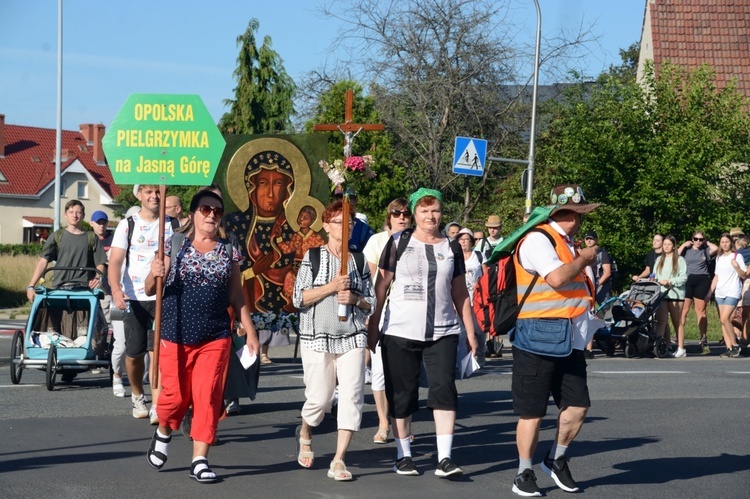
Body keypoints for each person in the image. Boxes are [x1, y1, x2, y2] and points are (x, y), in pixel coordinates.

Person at [144, 190, 260, 483]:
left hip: (215, 336)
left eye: (217, 212)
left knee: (208, 397)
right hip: (176, 333)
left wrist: (250, 328)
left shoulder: (228, 250)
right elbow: (149, 289)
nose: (211, 215)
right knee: (175, 396)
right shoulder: (175, 244)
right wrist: (154, 273)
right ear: (194, 214)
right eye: (206, 210)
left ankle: (200, 459)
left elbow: (236, 293)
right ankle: (164, 430)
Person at [367, 188, 478, 479]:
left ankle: (445, 458)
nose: (431, 216)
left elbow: (460, 292)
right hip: (400, 330)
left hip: (443, 330)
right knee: (402, 394)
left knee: (444, 390)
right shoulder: (398, 242)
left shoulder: (452, 246)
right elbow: (381, 287)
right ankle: (404, 455)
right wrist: (373, 325)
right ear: (415, 214)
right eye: (424, 211)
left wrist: (471, 330)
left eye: (436, 210)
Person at [509, 183, 600, 497]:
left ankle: (556, 459)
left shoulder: (567, 242)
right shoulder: (538, 239)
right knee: (532, 412)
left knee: (578, 406)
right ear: (553, 212)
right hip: (536, 337)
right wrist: (585, 259)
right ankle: (523, 472)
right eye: (567, 212)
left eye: (578, 213)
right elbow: (558, 278)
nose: (574, 219)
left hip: (569, 338)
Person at [292, 199, 375, 482]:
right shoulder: (312, 257)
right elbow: (298, 298)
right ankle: (305, 430)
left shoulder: (359, 260)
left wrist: (354, 299)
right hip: (316, 336)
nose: (346, 227)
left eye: (350, 222)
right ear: (327, 226)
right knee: (320, 399)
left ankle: (339, 459)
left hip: (352, 336)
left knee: (352, 396)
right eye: (340, 222)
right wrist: (330, 288)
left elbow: (371, 302)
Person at [224, 152, 297, 363]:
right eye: (264, 183)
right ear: (252, 187)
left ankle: (265, 351)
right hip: (246, 293)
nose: (271, 193)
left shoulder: (293, 228)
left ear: (288, 190)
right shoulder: (235, 223)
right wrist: (252, 271)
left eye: (279, 184)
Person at [109, 185, 174, 420]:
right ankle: (137, 395)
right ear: (139, 195)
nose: (154, 196)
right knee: (134, 353)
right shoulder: (128, 225)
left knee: (157, 352)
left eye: (158, 191)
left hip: (162, 297)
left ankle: (157, 403)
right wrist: (116, 289)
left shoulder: (172, 224)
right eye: (148, 192)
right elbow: (115, 261)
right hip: (134, 297)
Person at [362, 198, 412, 445]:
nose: (401, 217)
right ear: (389, 217)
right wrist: (366, 312)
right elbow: (368, 278)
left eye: (405, 213)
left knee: (406, 374)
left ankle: (404, 423)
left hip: (410, 316)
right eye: (396, 213)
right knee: (380, 373)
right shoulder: (377, 241)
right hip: (382, 314)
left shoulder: (418, 241)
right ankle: (384, 423)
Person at [27, 200, 107, 303]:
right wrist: (31, 286)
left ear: (83, 215)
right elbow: (43, 261)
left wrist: (97, 277)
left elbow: (100, 263)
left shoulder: (92, 237)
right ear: (65, 215)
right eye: (71, 212)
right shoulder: (56, 236)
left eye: (78, 212)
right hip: (59, 288)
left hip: (84, 290)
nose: (75, 215)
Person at [678, 231, 718, 354]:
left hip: (702, 280)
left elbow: (716, 248)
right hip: (688, 279)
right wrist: (684, 245)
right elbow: (675, 255)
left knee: (701, 311)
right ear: (692, 239)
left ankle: (703, 338)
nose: (698, 241)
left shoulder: (705, 250)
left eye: (701, 239)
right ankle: (678, 338)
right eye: (696, 239)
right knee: (683, 310)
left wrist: (707, 242)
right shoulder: (686, 250)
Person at [709, 232, 747, 357]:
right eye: (722, 242)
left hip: (733, 291)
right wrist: (709, 292)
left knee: (725, 318)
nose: (725, 244)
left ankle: (735, 345)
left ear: (731, 242)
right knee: (723, 321)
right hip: (720, 292)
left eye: (727, 241)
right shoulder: (719, 258)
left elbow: (743, 275)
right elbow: (717, 276)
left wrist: (736, 267)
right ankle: (729, 348)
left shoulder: (737, 256)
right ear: (720, 244)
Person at [653, 235, 688, 357]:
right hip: (661, 294)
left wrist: (670, 281)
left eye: (669, 244)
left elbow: (683, 277)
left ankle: (681, 348)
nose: (666, 247)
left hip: (675, 294)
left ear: (673, 246)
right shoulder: (659, 260)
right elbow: (655, 275)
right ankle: (659, 346)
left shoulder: (679, 260)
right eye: (665, 244)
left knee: (677, 322)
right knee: (661, 321)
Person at [455, 227, 486, 365]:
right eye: (461, 240)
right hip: (461, 297)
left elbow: (486, 276)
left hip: (478, 298)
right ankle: (465, 357)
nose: (464, 242)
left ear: (472, 242)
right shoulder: (454, 256)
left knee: (479, 328)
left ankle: (480, 353)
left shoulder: (478, 255)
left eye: (467, 239)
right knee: (463, 330)